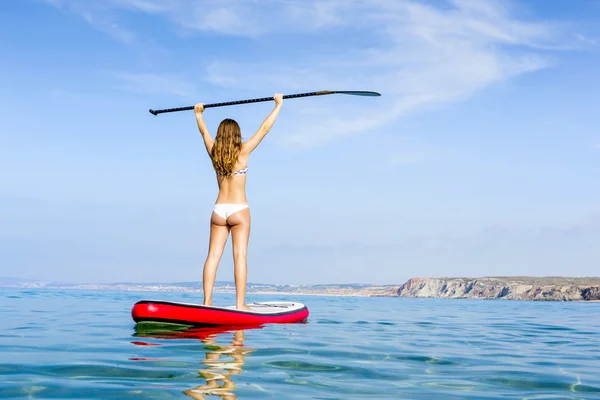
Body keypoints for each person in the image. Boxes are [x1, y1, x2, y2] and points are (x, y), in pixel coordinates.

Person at [194, 94, 284, 311]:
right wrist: (278, 104)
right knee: (240, 256)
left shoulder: (214, 152)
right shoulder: (243, 151)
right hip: (239, 209)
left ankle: (207, 303)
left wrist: (198, 115)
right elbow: (264, 129)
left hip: (218, 210)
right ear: (236, 136)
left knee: (213, 257)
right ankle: (240, 304)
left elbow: (204, 132)